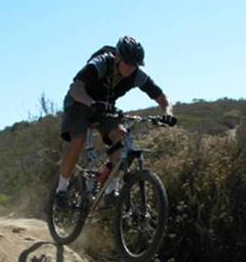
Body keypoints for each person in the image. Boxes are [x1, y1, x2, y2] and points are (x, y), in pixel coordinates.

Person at [56, 36, 175, 206]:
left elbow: (162, 97)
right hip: (80, 102)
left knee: (120, 136)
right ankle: (62, 189)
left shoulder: (136, 75)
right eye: (127, 62)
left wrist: (168, 113)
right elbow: (76, 88)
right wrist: (91, 103)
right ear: (117, 57)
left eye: (135, 64)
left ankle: (112, 190)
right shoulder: (100, 64)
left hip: (105, 107)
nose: (130, 68)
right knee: (78, 140)